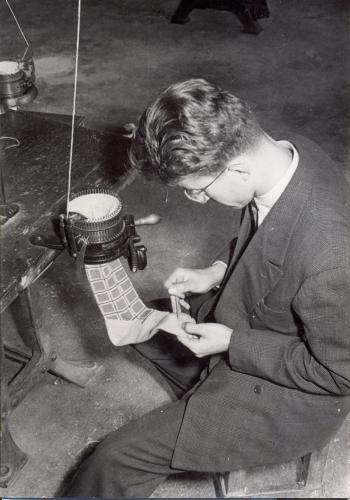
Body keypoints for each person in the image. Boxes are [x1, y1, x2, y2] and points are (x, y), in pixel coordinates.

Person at [64, 79, 350, 497]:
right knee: (146, 321)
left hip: (292, 399)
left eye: (196, 190)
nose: (197, 200)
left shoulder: (331, 260)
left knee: (113, 459)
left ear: (237, 168)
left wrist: (233, 342)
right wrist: (217, 269)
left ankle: (189, 417)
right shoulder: (287, 155)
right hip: (259, 321)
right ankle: (196, 397)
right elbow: (270, 228)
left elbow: (337, 374)